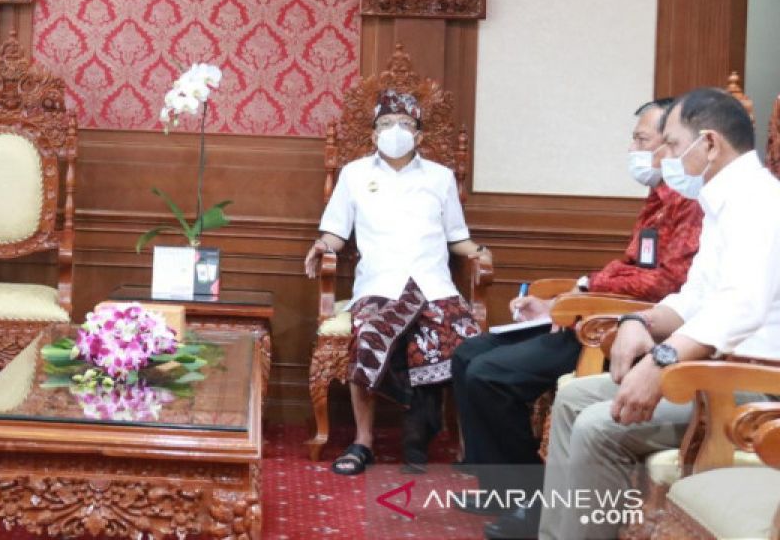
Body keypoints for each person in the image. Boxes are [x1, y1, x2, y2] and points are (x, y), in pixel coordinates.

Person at [532, 88, 780, 540]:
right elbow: (694, 298)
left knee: (597, 426)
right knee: (572, 401)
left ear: (708, 144)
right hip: (712, 370)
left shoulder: (759, 203)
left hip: (751, 387)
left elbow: (740, 308)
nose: (662, 156)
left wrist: (661, 361)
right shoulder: (722, 202)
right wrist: (638, 323)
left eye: (669, 143)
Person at [449, 98, 703, 539]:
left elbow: (666, 283)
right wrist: (574, 290)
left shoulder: (693, 201)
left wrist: (581, 295)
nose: (635, 150)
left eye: (643, 140)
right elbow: (632, 265)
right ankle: (502, 491)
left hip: (615, 328)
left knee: (490, 375)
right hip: (597, 312)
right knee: (470, 353)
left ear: (673, 144)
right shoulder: (660, 196)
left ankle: (529, 504)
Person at [304, 89, 490, 475]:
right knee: (370, 336)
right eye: (386, 124)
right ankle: (362, 442)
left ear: (419, 136)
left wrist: (480, 252)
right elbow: (336, 231)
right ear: (373, 134)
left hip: (434, 285)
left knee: (461, 339)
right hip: (379, 285)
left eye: (405, 124)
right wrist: (320, 245)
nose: (395, 131)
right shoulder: (354, 174)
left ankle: (455, 443)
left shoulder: (440, 178)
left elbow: (457, 237)